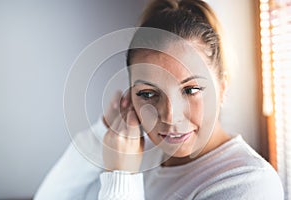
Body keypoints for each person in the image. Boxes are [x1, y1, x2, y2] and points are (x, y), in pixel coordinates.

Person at [34, 0, 284, 199]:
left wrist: (122, 177)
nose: (170, 116)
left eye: (191, 90)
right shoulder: (138, 156)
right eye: (148, 94)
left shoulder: (249, 184)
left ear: (222, 87)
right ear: (130, 98)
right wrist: (103, 132)